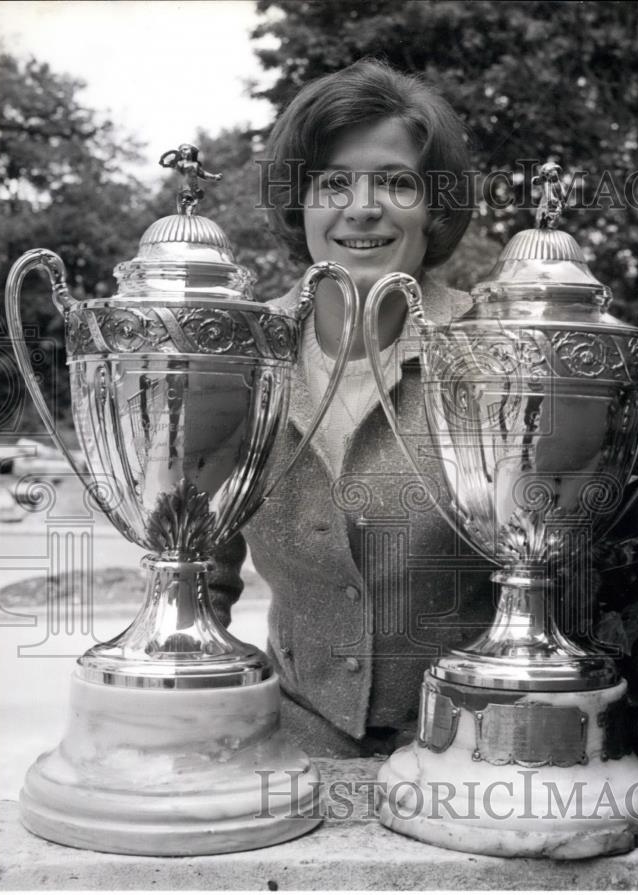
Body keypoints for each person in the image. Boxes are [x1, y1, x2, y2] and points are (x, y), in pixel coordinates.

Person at [211, 59, 494, 756]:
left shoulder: (496, 350)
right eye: (333, 182)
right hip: (289, 745)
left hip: (473, 754)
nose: (362, 206)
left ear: (436, 208)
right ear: (299, 204)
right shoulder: (240, 353)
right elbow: (195, 566)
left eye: (397, 182)